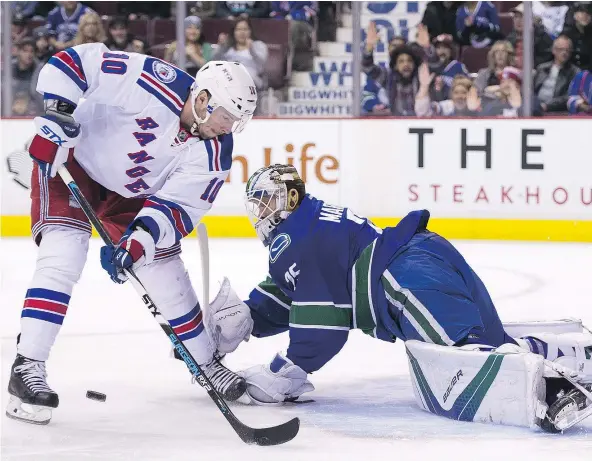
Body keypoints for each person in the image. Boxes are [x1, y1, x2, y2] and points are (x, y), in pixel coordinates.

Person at [205, 164, 592, 433]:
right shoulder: (309, 222)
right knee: (489, 344)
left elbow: (322, 322)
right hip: (423, 255)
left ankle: (559, 394)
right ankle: (577, 356)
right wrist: (250, 317)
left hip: (403, 280)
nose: (260, 214)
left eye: (266, 202)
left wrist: (285, 372)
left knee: (472, 363)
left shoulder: (294, 238)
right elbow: (299, 289)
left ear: (289, 197)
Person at [5, 43, 258, 426]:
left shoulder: (216, 148)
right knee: (63, 257)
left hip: (134, 198)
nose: (229, 127)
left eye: (236, 121)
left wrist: (140, 241)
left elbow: (178, 206)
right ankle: (28, 366)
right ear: (203, 98)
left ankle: (206, 364)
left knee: (166, 275)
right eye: (226, 115)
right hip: (73, 164)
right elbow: (74, 63)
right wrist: (58, 116)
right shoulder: (153, 82)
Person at [213, 18, 268, 90]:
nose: (242, 33)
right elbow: (214, 62)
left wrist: (252, 50)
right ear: (233, 32)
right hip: (228, 82)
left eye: (245, 29)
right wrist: (220, 46)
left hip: (252, 83)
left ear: (250, 31)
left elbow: (261, 66)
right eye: (238, 29)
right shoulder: (228, 48)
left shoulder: (258, 45)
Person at [534, 35, 581, 113]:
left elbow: (569, 96)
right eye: (561, 49)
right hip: (536, 106)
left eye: (567, 50)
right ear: (553, 50)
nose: (564, 53)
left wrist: (547, 106)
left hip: (556, 110)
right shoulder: (541, 68)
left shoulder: (575, 72)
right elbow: (531, 90)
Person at [507, 3, 553, 68]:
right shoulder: (510, 38)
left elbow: (546, 58)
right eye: (516, 17)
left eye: (522, 17)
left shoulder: (542, 37)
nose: (518, 20)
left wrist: (528, 64)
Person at [561, 3, 592, 71]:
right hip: (568, 72)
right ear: (575, 15)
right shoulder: (566, 35)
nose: (585, 15)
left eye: (588, 13)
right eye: (581, 12)